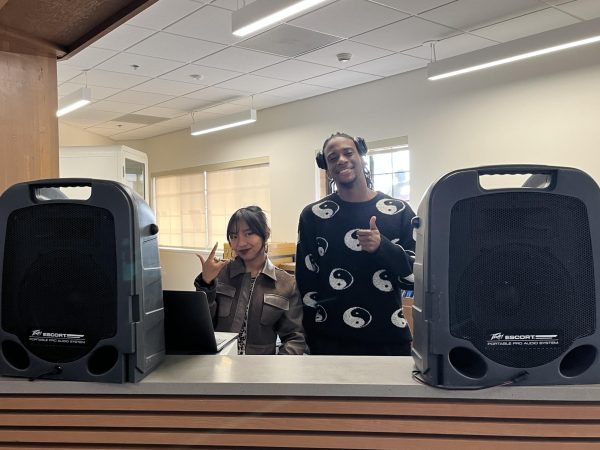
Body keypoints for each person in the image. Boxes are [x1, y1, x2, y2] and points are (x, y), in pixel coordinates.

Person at [295, 133, 416, 355]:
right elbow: (306, 283)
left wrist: (383, 248)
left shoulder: (399, 211)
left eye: (348, 152)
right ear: (326, 167)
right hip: (329, 340)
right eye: (332, 158)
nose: (341, 160)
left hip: (388, 339)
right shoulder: (312, 216)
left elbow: (416, 278)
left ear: (361, 156)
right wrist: (309, 338)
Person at [195, 206, 306, 355]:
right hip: (220, 366)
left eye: (248, 233)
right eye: (234, 236)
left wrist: (278, 368)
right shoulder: (220, 274)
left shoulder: (285, 283)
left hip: (261, 371)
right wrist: (206, 283)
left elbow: (294, 338)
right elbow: (201, 326)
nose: (240, 243)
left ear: (265, 233)